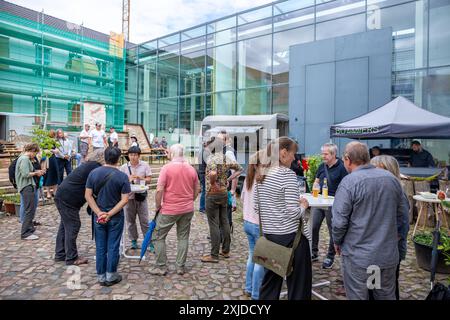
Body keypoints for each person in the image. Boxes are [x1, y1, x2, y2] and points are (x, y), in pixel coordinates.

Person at [332, 142, 409, 300]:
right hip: (385, 256)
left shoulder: (349, 182)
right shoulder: (392, 180)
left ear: (347, 159)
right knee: (383, 296)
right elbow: (403, 217)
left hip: (358, 257)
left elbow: (339, 222)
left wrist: (337, 241)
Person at [254, 137, 311, 300]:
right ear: (283, 153)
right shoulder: (287, 175)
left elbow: (257, 207)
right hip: (292, 239)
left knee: (270, 285)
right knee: (298, 288)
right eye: (294, 153)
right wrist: (303, 205)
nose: (295, 158)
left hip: (270, 237)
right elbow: (293, 213)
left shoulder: (261, 174)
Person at [150, 144, 200, 275]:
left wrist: (157, 206)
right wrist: (190, 200)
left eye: (168, 153)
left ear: (172, 154)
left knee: (157, 236)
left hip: (169, 209)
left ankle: (161, 266)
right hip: (187, 209)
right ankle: (180, 266)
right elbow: (197, 189)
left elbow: (159, 190)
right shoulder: (191, 169)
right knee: (183, 237)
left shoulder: (166, 168)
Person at [85, 147, 131, 286]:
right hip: (115, 216)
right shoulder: (122, 176)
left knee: (100, 246)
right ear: (118, 159)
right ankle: (111, 274)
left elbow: (87, 195)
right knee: (113, 245)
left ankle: (101, 275)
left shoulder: (93, 173)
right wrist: (110, 214)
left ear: (105, 157)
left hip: (98, 216)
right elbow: (125, 200)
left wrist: (99, 212)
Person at [54, 149, 104, 266]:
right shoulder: (95, 166)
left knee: (64, 226)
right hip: (68, 199)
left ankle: (60, 253)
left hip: (64, 196)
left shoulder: (90, 165)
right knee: (73, 225)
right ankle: (71, 258)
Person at [370, 155, 410, 300]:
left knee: (389, 286)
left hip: (390, 249)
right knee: (374, 284)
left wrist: (383, 241)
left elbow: (403, 225)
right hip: (377, 249)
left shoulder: (398, 193)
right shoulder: (380, 190)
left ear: (389, 171)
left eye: (376, 169)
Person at [201, 136, 243, 263]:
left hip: (212, 194)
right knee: (224, 220)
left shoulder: (212, 159)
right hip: (224, 193)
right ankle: (225, 251)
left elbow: (213, 174)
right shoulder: (226, 158)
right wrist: (228, 180)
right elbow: (240, 169)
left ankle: (214, 255)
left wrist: (213, 183)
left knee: (213, 223)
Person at [311, 143, 348, 269]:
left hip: (334, 204)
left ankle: (330, 256)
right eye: (322, 153)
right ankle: (313, 252)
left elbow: (346, 187)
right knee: (314, 226)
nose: (323, 156)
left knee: (333, 231)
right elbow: (316, 181)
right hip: (319, 202)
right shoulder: (322, 166)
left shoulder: (342, 167)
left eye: (326, 154)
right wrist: (315, 187)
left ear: (333, 154)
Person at [241, 151, 264, 300]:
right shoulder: (262, 180)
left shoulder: (248, 179)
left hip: (247, 222)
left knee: (251, 256)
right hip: (257, 224)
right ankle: (256, 294)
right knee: (260, 261)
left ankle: (248, 288)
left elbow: (243, 198)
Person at [119, 146, 152, 250]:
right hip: (128, 198)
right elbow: (119, 182)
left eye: (135, 155)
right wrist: (128, 179)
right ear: (128, 156)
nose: (133, 157)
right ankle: (133, 240)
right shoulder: (124, 167)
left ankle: (149, 242)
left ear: (139, 156)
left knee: (145, 221)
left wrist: (140, 178)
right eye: (131, 155)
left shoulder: (144, 165)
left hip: (141, 196)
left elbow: (149, 179)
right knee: (130, 221)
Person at [16, 143, 45, 240]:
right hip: (26, 186)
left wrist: (37, 172)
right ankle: (25, 233)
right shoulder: (24, 159)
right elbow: (25, 174)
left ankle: (30, 229)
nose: (35, 155)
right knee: (29, 210)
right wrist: (37, 172)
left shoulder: (24, 158)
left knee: (31, 209)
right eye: (35, 153)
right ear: (32, 151)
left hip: (28, 186)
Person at [43, 129, 59, 199]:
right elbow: (43, 150)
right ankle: (48, 193)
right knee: (47, 175)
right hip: (46, 159)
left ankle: (54, 192)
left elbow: (57, 150)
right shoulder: (45, 141)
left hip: (53, 159)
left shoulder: (55, 141)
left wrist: (53, 150)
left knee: (55, 174)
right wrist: (49, 151)